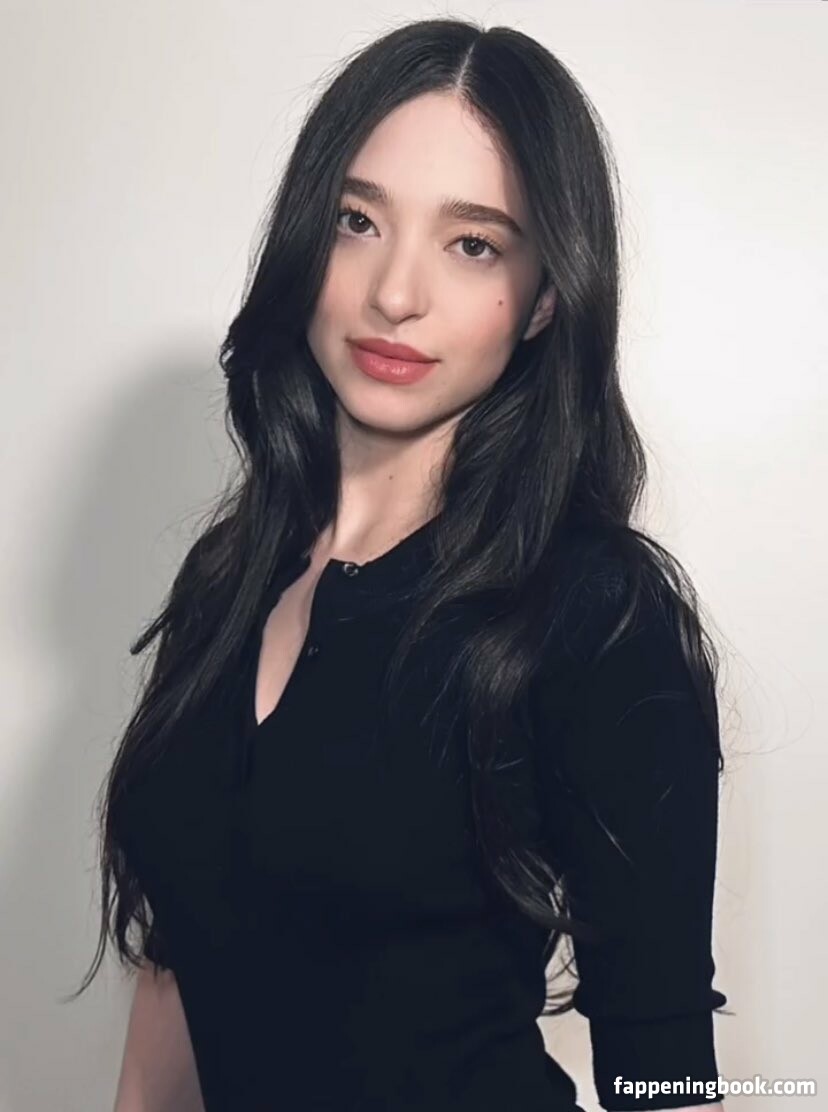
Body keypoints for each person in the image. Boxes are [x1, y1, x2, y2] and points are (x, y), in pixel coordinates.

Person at [69, 17, 730, 1112]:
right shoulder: (226, 582)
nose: (394, 294)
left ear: (545, 296)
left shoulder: (597, 613)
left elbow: (663, 1075)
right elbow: (183, 955)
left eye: (473, 244)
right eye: (358, 221)